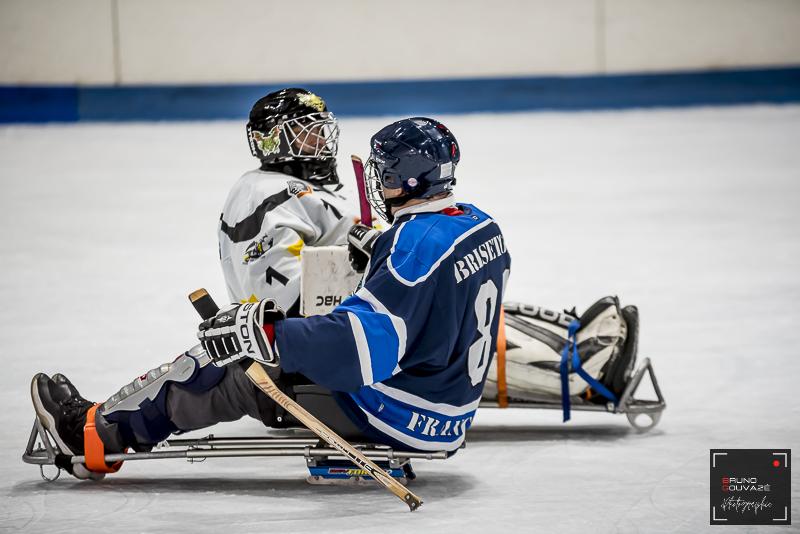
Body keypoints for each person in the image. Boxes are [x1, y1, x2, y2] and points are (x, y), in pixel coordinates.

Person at [30, 116, 513, 480]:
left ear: (404, 178)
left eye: (384, 169)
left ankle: (92, 435)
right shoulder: (480, 224)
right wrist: (382, 251)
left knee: (234, 363)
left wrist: (270, 334)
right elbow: (434, 302)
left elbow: (360, 347)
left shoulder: (413, 248)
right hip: (449, 412)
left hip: (397, 414)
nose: (375, 178)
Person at [219, 87, 356, 313]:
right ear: (275, 139)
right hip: (329, 328)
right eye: (307, 133)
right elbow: (287, 302)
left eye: (320, 130)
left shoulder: (283, 186)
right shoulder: (269, 197)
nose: (322, 141)